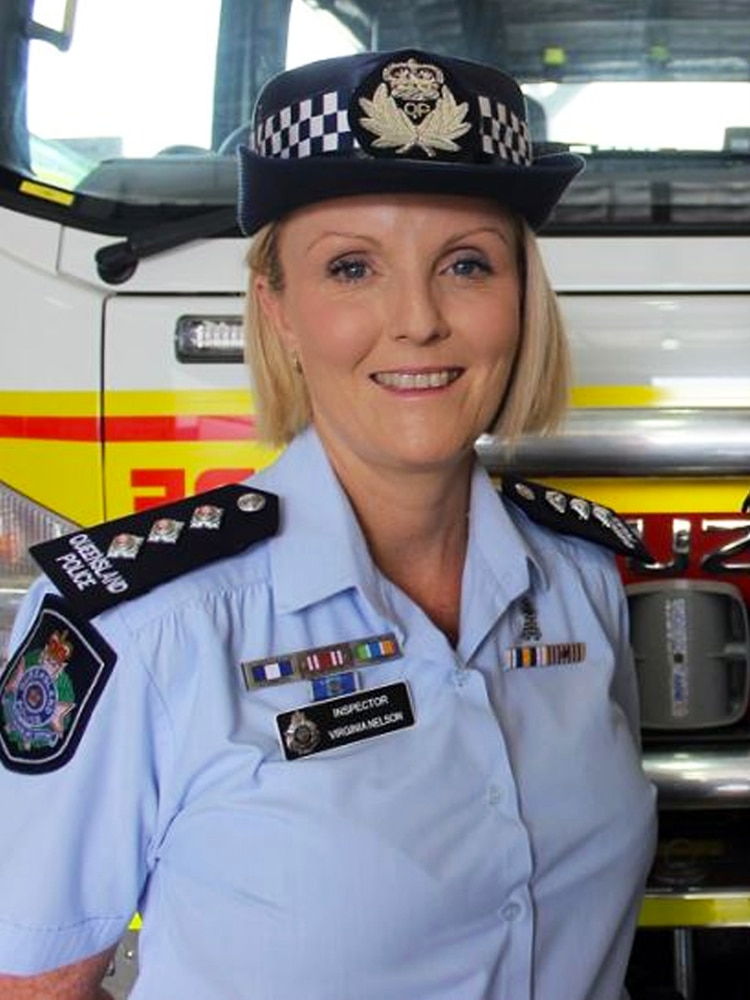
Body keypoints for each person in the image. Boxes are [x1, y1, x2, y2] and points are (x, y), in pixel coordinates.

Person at [0, 48, 657, 1000]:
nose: (418, 320)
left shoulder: (581, 580)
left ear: (522, 299)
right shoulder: (136, 627)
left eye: (467, 264)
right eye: (352, 268)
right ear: (279, 314)